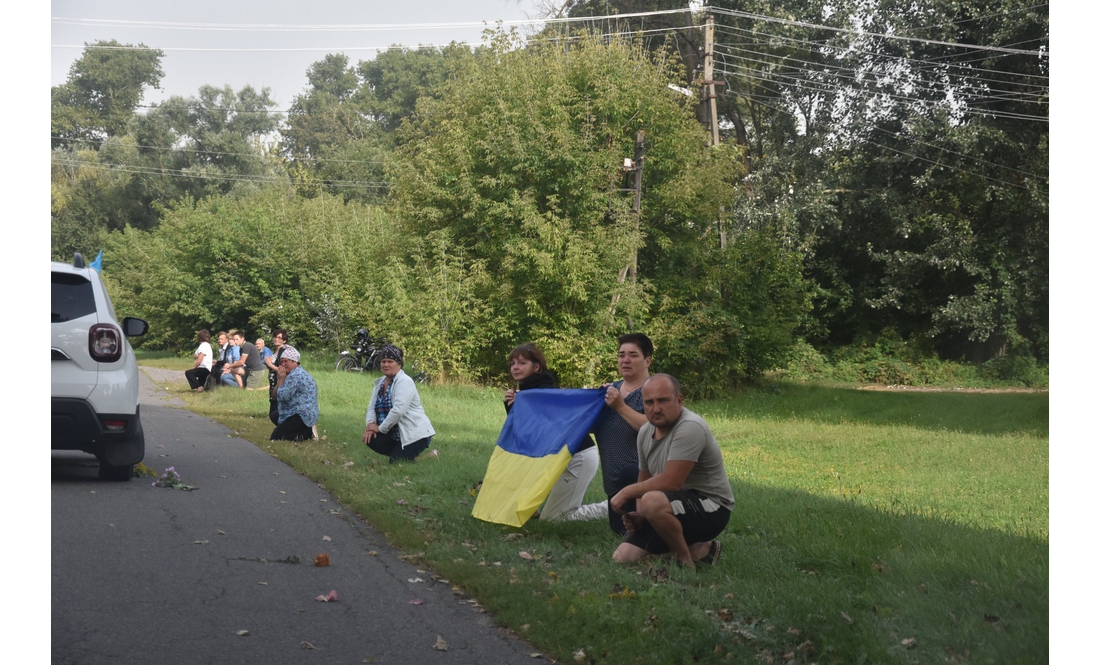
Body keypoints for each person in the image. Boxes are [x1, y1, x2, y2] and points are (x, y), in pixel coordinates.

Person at [610, 374, 735, 569]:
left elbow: (671, 482)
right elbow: (644, 480)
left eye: (663, 400)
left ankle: (684, 559)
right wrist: (641, 516)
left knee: (653, 500)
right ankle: (701, 551)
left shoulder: (690, 427)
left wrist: (625, 492)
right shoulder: (645, 432)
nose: (656, 408)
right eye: (649, 402)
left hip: (711, 507)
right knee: (622, 558)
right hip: (670, 505)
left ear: (679, 400)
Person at [503, 343, 605, 522]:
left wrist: (519, 407)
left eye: (521, 363)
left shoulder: (547, 394)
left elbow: (541, 429)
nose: (515, 367)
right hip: (553, 458)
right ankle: (530, 509)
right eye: (512, 364)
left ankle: (612, 508)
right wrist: (512, 408)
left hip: (577, 457)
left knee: (553, 519)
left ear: (537, 367)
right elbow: (526, 439)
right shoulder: (525, 395)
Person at [591, 333, 653, 534]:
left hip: (644, 481)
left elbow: (654, 429)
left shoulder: (654, 391)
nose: (625, 360)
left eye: (633, 355)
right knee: (619, 533)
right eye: (621, 355)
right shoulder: (611, 390)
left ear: (647, 360)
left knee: (642, 535)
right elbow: (595, 427)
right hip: (613, 483)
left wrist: (619, 406)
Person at [362, 345, 437, 463]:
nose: (386, 364)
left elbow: (398, 411)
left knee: (395, 464)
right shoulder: (380, 383)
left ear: (399, 364)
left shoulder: (405, 382)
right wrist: (370, 426)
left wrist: (380, 428)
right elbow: (371, 407)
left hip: (415, 435)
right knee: (370, 438)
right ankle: (406, 456)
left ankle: (413, 457)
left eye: (390, 361)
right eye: (383, 361)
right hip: (394, 434)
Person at [270, 346, 319, 441]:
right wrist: (280, 380)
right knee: (274, 416)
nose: (283, 365)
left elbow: (283, 397)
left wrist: (281, 380)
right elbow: (276, 396)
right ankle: (301, 430)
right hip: (293, 410)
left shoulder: (296, 376)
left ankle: (308, 433)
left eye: (286, 361)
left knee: (276, 437)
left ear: (294, 362)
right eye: (281, 362)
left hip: (302, 413)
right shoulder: (290, 374)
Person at [265, 329, 288, 425]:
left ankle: (283, 430)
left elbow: (282, 370)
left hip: (279, 383)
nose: (276, 339)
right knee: (273, 410)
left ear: (284, 340)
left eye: (279, 337)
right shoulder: (276, 351)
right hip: (273, 383)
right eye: (275, 337)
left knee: (275, 412)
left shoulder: (284, 351)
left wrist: (270, 364)